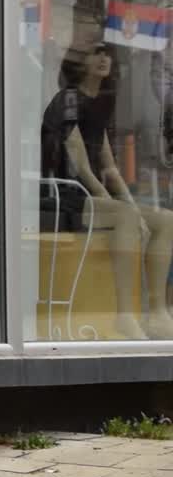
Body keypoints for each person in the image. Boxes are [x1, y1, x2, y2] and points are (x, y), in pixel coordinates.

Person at [41, 34, 173, 339]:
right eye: (95, 52)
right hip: (64, 195)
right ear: (80, 62)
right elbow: (79, 161)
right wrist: (122, 208)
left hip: (88, 198)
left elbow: (110, 169)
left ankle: (156, 313)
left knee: (165, 220)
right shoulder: (68, 99)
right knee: (126, 217)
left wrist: (131, 204)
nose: (103, 58)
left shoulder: (98, 106)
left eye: (107, 53)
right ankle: (124, 315)